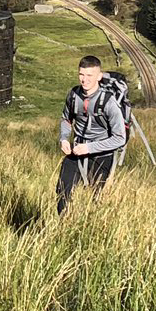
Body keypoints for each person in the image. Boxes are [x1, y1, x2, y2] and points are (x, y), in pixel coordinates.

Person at [57, 55, 127, 213]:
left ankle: (91, 233)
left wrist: (89, 148)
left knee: (96, 202)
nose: (84, 80)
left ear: (99, 76)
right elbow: (66, 119)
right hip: (76, 153)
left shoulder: (109, 102)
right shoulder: (73, 95)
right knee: (62, 194)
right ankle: (63, 229)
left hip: (101, 156)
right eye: (81, 74)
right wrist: (63, 139)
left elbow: (120, 138)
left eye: (89, 75)